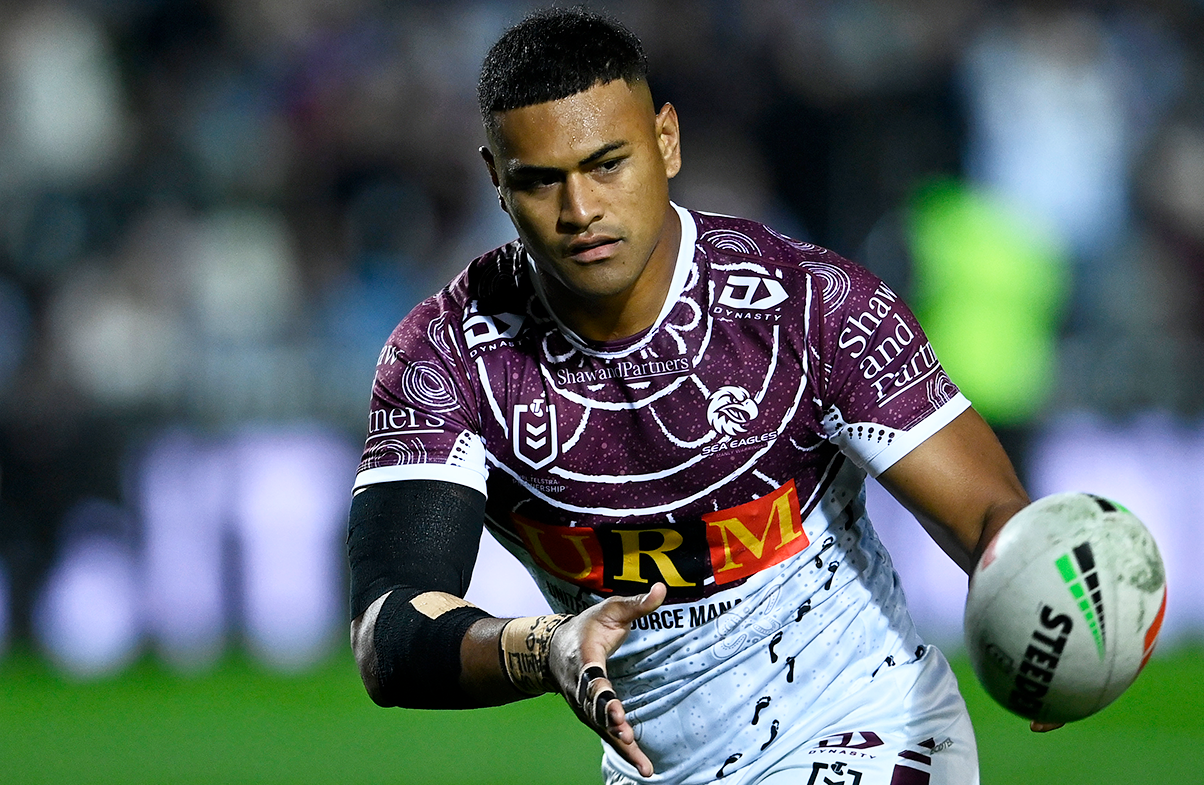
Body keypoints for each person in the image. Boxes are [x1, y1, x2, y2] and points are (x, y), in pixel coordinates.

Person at [346, 9, 1049, 785]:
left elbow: (988, 516)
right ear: (496, 182)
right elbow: (391, 629)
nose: (580, 211)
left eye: (607, 164)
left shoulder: (808, 305)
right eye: (541, 180)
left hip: (871, 727)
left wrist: (1042, 620)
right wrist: (544, 647)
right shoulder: (450, 357)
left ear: (668, 141)